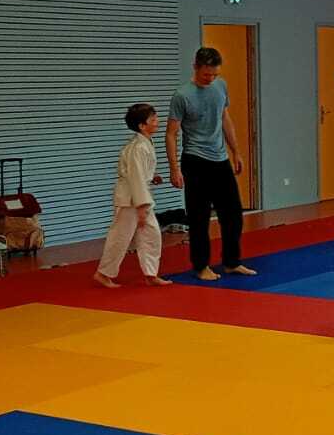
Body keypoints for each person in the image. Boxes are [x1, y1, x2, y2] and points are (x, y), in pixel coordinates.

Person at [168, 47, 256, 281]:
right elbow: (171, 133)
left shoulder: (221, 86)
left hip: (220, 159)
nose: (211, 78)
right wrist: (174, 168)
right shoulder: (182, 95)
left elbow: (225, 118)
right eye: (207, 74)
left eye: (215, 74)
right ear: (195, 67)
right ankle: (201, 266)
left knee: (233, 214)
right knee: (199, 217)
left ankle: (231, 262)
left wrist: (236, 151)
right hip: (195, 161)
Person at [94, 103, 171, 289]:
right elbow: (135, 177)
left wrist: (152, 176)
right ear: (142, 126)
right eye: (153, 119)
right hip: (130, 199)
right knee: (121, 237)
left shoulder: (144, 144)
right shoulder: (137, 147)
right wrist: (142, 206)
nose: (157, 122)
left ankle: (151, 274)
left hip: (138, 195)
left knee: (152, 234)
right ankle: (103, 273)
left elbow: (140, 173)